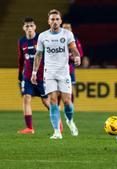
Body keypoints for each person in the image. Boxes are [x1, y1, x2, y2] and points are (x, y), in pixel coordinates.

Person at [31, 9, 81, 139]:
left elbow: (73, 48)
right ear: (48, 21)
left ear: (60, 21)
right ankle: (57, 131)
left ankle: (70, 121)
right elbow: (38, 55)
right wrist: (34, 72)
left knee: (67, 101)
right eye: (52, 19)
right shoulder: (43, 36)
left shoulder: (67, 34)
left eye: (57, 19)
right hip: (49, 72)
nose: (55, 21)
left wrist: (77, 56)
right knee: (53, 100)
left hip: (64, 72)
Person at [17, 17, 50, 134]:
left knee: (46, 102)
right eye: (27, 26)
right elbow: (21, 59)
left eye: (31, 26)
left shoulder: (41, 39)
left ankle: (58, 123)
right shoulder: (21, 41)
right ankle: (30, 128)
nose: (29, 28)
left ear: (35, 27)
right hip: (27, 75)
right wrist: (19, 75)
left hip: (42, 75)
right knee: (26, 98)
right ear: (23, 28)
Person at [58, 22, 84, 105]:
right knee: (58, 90)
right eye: (64, 27)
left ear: (71, 29)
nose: (66, 29)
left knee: (70, 90)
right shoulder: (56, 39)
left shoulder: (74, 40)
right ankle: (57, 108)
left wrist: (71, 57)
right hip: (58, 69)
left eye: (68, 27)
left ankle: (70, 109)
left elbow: (80, 54)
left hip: (70, 69)